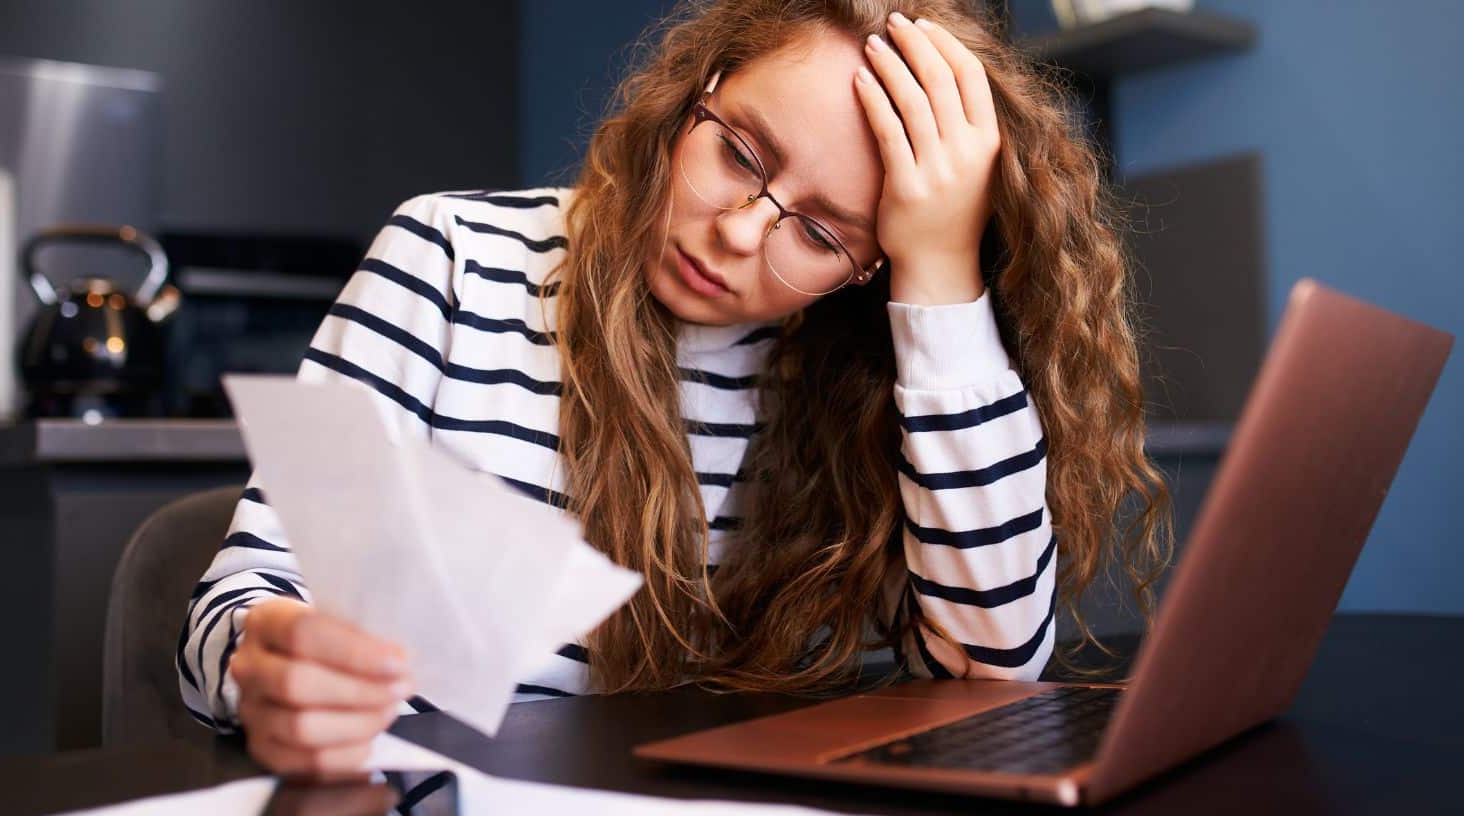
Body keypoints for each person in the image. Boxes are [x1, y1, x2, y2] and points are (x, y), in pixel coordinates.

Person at [179, 0, 1172, 774]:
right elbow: (243, 602)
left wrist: (941, 279)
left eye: (822, 234)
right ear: (696, 88)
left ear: (866, 273)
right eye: (738, 152)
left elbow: (987, 673)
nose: (740, 233)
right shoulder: (448, 256)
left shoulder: (848, 376)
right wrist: (270, 657)